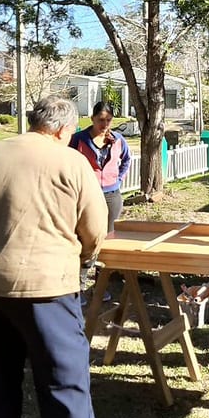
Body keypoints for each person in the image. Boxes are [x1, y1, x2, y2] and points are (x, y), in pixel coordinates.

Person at [0, 95, 108, 418]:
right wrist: (83, 262)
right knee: (63, 384)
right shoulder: (72, 162)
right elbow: (94, 231)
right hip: (46, 288)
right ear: (64, 129)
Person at [70, 101, 131, 305]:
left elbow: (127, 160)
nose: (104, 124)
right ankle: (78, 286)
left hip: (111, 195)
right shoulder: (78, 139)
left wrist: (118, 179)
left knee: (106, 241)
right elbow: (67, 162)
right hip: (87, 195)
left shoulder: (118, 140)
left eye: (108, 120)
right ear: (92, 119)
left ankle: (100, 286)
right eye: (100, 120)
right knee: (86, 239)